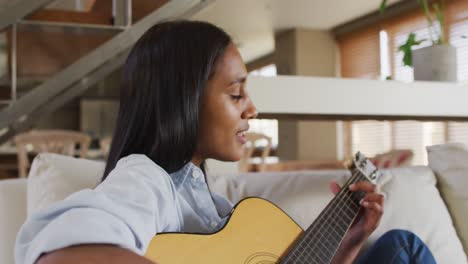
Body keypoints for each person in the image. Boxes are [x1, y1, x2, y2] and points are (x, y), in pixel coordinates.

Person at [14, 21, 436, 264]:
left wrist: (347, 244)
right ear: (185, 101)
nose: (251, 109)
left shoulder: (204, 201)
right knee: (406, 249)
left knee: (397, 244)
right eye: (236, 94)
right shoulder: (145, 179)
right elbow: (59, 256)